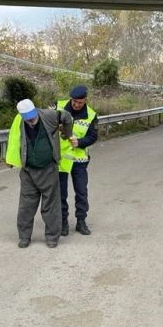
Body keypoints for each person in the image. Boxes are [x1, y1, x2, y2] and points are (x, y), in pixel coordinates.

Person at [6, 98, 73, 248]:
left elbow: (67, 117)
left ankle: (52, 237)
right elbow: (14, 140)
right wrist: (11, 159)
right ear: (22, 117)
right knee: (26, 206)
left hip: (48, 169)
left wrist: (67, 135)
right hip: (28, 171)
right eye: (28, 120)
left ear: (35, 111)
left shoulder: (49, 115)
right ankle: (24, 237)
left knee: (51, 205)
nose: (32, 121)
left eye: (33, 118)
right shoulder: (19, 122)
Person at [57, 84, 99, 236]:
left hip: (79, 160)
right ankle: (63, 222)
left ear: (85, 100)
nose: (76, 104)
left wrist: (80, 142)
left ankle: (81, 221)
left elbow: (93, 136)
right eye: (74, 101)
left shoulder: (91, 114)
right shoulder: (59, 107)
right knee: (61, 193)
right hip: (61, 159)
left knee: (81, 191)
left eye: (79, 102)